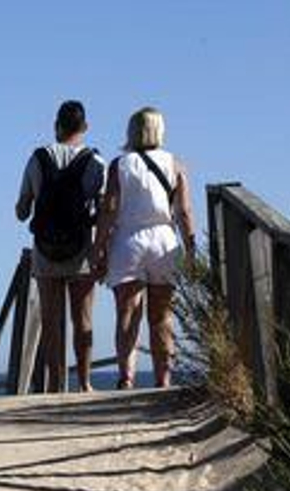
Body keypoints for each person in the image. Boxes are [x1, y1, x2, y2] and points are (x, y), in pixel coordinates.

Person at [91, 106, 196, 388]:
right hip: (164, 239)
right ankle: (163, 379)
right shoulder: (175, 164)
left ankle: (126, 377)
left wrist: (98, 247)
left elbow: (109, 209)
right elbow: (184, 211)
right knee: (162, 315)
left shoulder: (120, 165)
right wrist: (190, 247)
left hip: (128, 240)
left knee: (127, 314)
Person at [16, 99, 107, 392]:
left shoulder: (37, 158)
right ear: (85, 127)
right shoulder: (96, 162)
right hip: (81, 250)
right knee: (83, 320)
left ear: (57, 126)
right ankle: (85, 383)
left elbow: (22, 211)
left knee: (51, 321)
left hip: (45, 250)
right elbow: (104, 211)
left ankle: (55, 384)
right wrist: (101, 250)